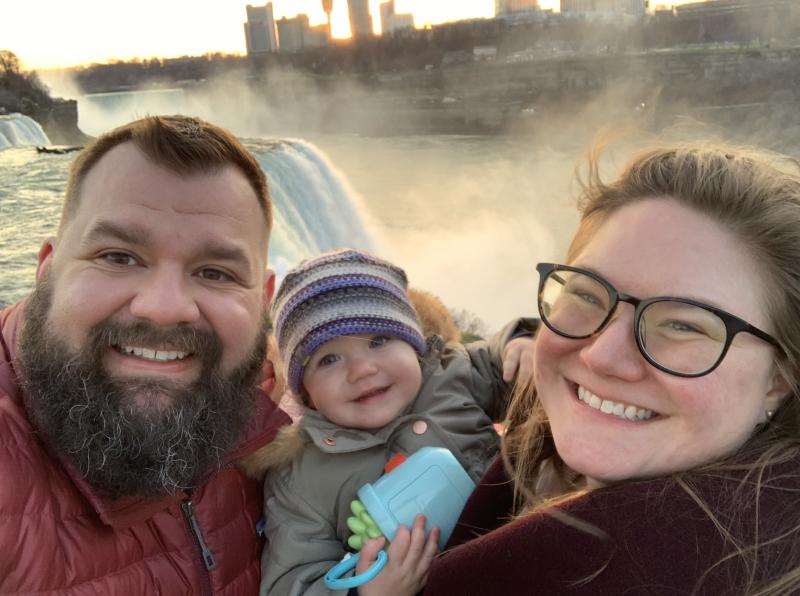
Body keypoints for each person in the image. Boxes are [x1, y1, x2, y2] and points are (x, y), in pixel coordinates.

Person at [413, 144, 800, 595]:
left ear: (778, 380)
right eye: (588, 294)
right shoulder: (533, 464)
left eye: (681, 325)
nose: (601, 356)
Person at [0, 115, 292, 593]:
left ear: (262, 301)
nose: (163, 308)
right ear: (48, 269)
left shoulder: (276, 413)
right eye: (118, 257)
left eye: (216, 272)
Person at [254, 248, 535, 595]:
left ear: (413, 342)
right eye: (328, 360)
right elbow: (291, 582)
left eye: (378, 340)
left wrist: (522, 344)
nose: (362, 370)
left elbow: (501, 362)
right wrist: (367, 592)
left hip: (536, 550)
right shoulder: (299, 476)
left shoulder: (451, 373)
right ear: (307, 394)